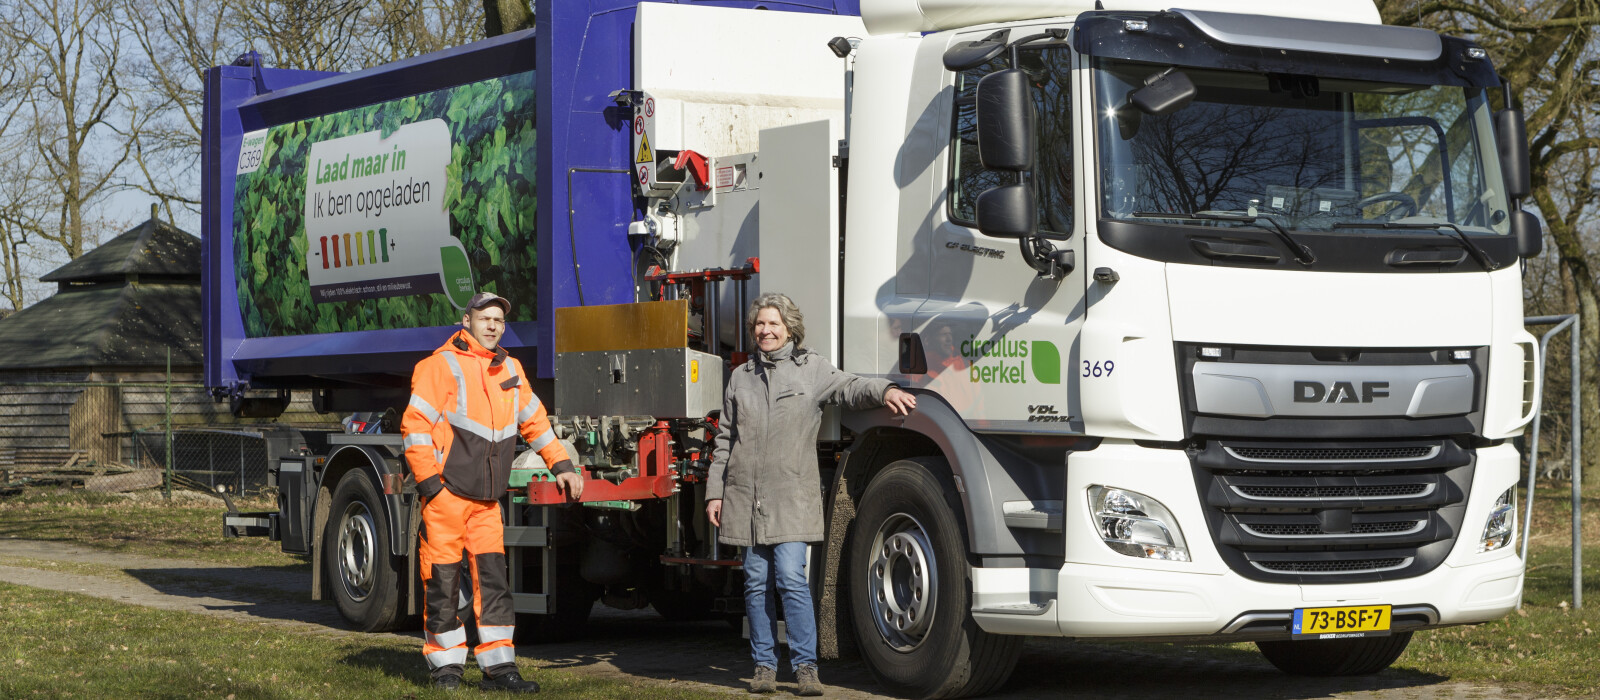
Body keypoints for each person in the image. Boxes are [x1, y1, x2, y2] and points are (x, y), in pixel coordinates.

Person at [705, 293, 917, 696]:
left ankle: (805, 667)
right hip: (745, 497)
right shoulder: (741, 377)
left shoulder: (811, 369)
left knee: (790, 578)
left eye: (773, 324)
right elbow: (724, 440)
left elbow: (850, 387)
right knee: (754, 581)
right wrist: (715, 492)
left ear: (790, 329)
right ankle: (764, 667)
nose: (765, 331)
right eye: (759, 325)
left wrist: (885, 390)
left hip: (791, 496)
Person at [401, 291, 584, 692]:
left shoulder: (510, 369)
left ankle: (500, 668)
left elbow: (535, 422)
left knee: (494, 585)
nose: (493, 326)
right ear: (466, 322)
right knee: (442, 584)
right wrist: (433, 487)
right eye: (485, 318)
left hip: (487, 503)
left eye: (499, 320)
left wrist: (563, 466)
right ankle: (446, 668)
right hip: (448, 497)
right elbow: (414, 428)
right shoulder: (438, 367)